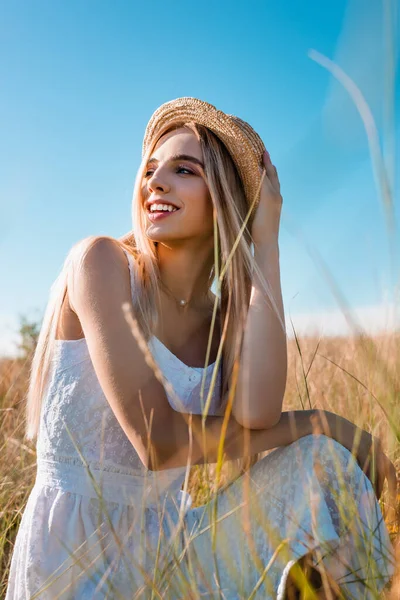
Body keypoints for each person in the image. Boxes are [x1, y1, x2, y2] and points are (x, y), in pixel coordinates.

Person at [6, 97, 396, 599]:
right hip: (74, 565)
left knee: (325, 462)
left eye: (184, 170)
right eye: (150, 170)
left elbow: (257, 412)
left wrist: (266, 248)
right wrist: (325, 421)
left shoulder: (224, 318)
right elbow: (158, 443)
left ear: (225, 198)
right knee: (326, 440)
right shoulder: (100, 264)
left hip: (169, 554)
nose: (156, 183)